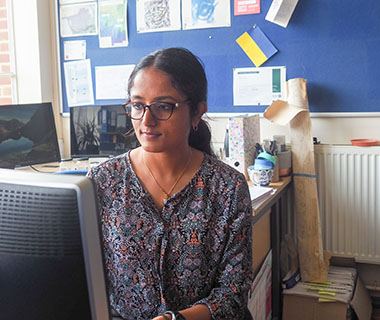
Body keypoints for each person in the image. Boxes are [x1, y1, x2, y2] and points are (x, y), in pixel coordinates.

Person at [87, 47, 253, 320]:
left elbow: (233, 293)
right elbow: (88, 275)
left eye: (163, 106)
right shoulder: (103, 181)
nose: (146, 121)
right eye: (138, 105)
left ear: (197, 112)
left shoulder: (227, 188)